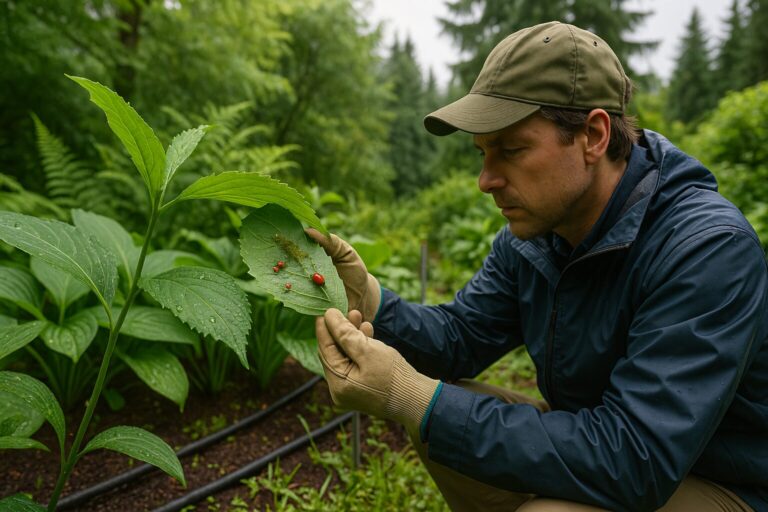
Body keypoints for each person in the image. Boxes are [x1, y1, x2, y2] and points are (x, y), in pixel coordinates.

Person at [308, 21, 768, 511]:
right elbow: (461, 337)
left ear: (593, 135)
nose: (485, 180)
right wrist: (370, 296)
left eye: (511, 150)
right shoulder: (538, 235)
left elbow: (636, 457)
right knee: (442, 414)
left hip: (721, 479)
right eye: (483, 153)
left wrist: (412, 396)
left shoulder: (705, 248)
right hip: (609, 437)